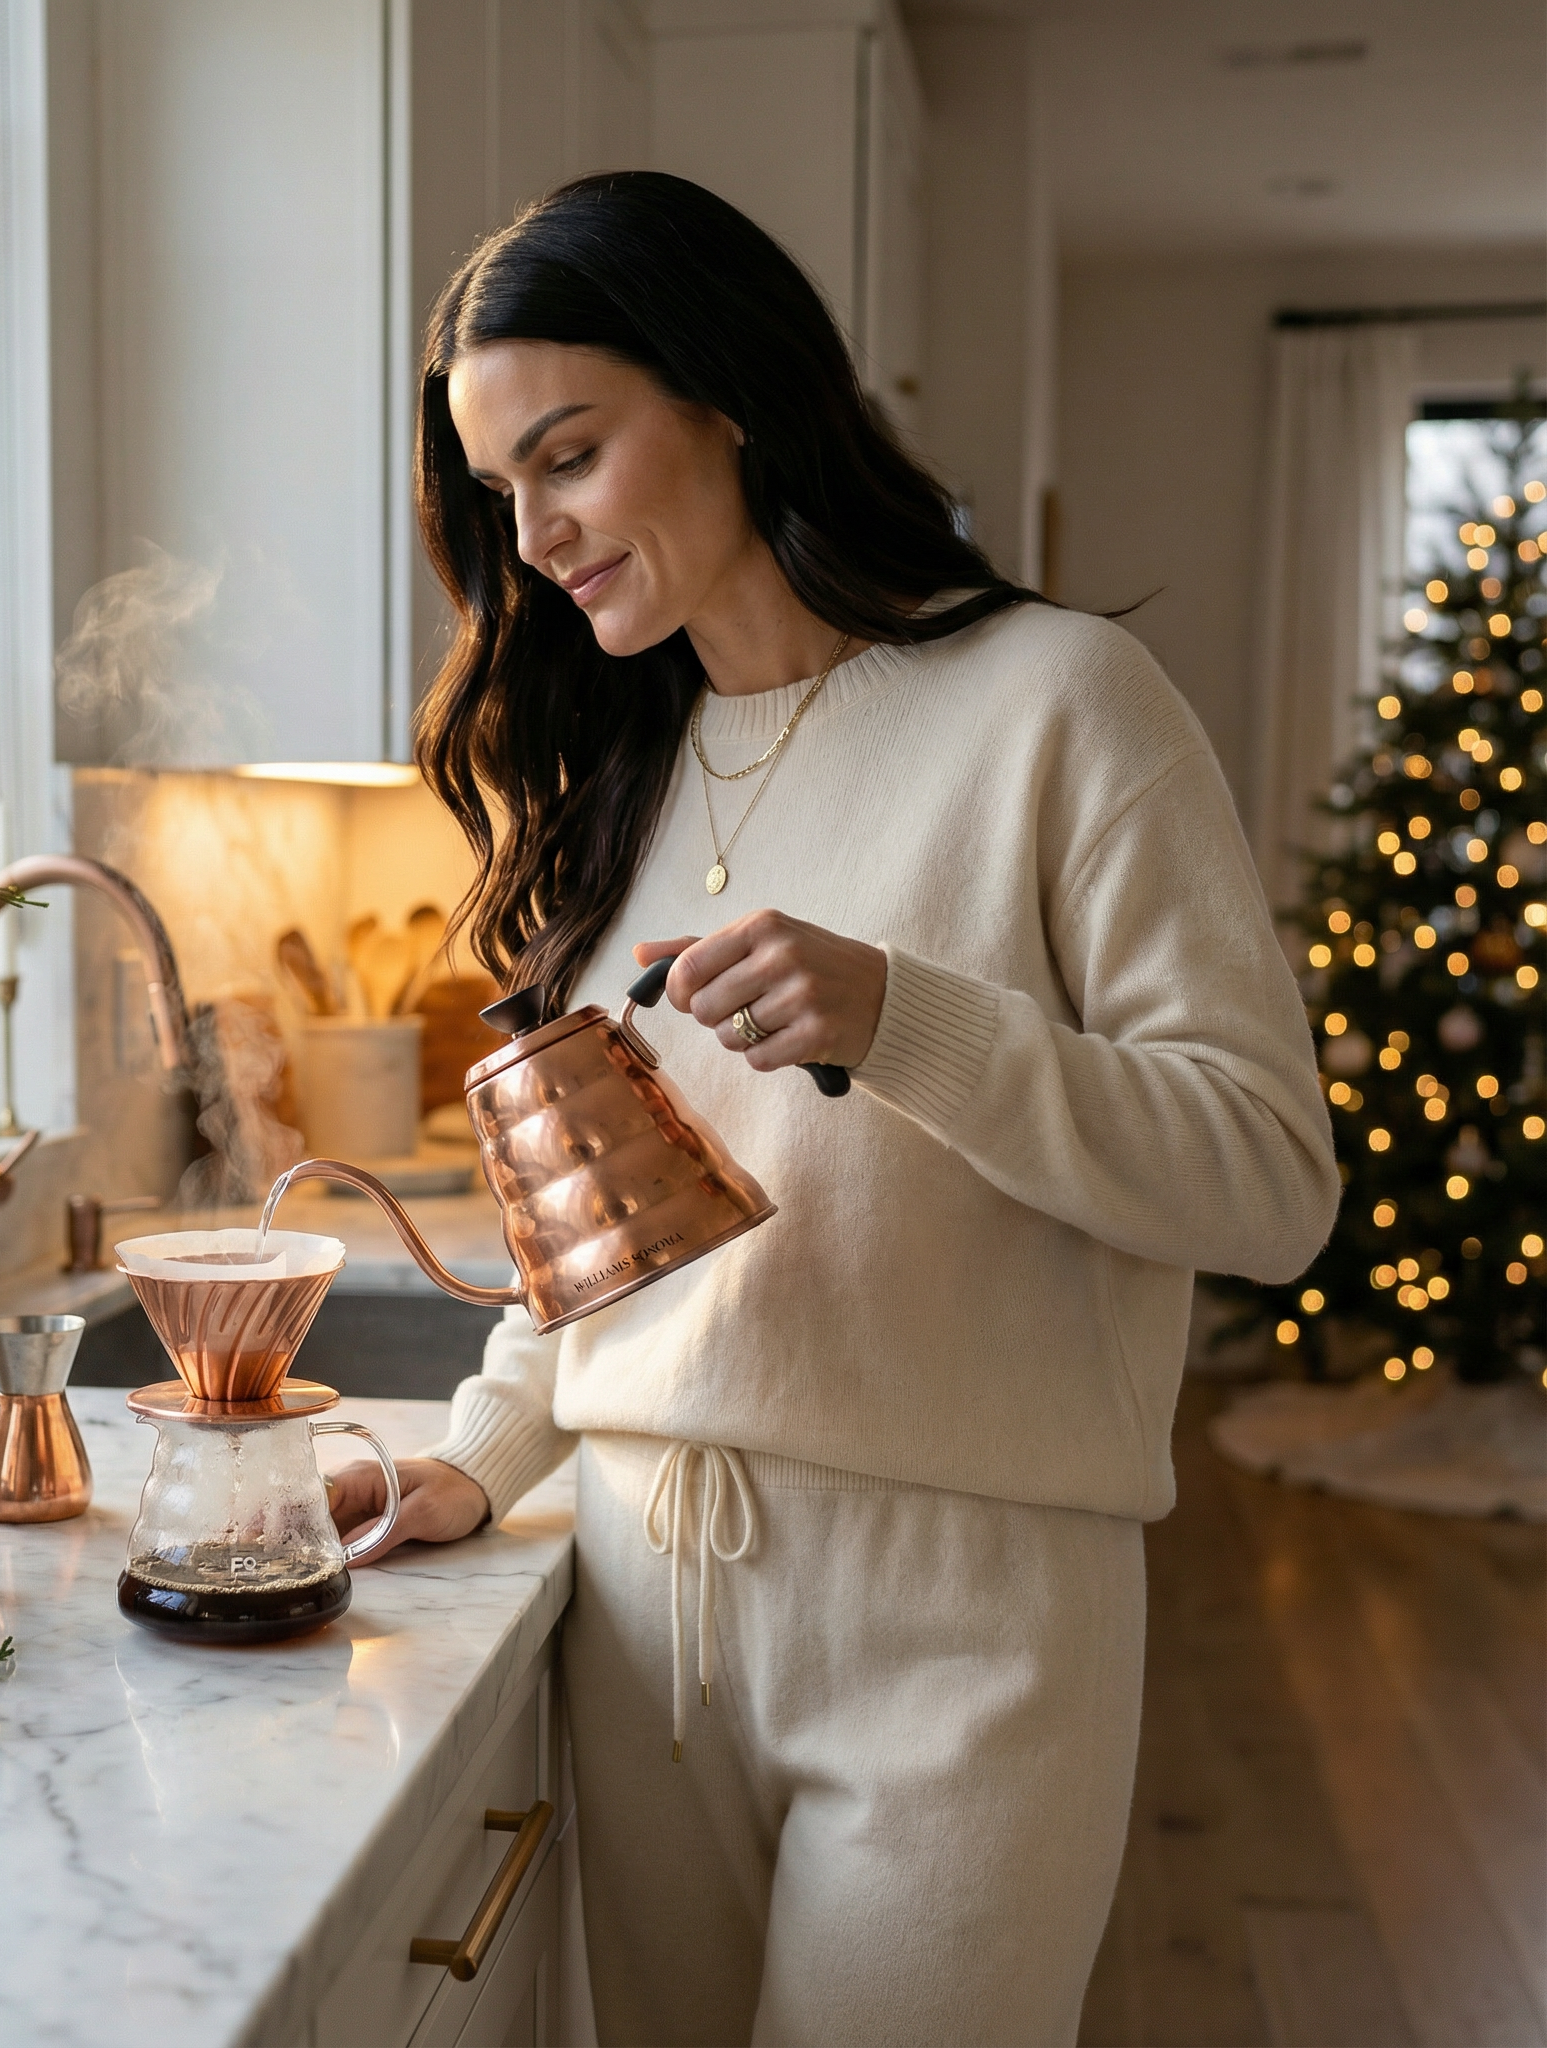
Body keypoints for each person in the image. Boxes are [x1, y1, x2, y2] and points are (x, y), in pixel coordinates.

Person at [327, 171, 1336, 2048]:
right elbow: (609, 1256)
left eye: (570, 456)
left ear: (729, 396)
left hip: (966, 1624)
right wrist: (483, 1452)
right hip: (643, 1611)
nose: (532, 535)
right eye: (495, 493)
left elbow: (1272, 1185)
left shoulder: (1059, 703)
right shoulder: (614, 769)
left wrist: (911, 1020)